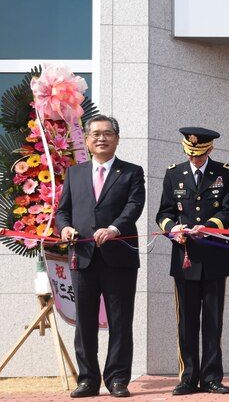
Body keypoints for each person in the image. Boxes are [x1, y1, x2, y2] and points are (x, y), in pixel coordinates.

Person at [56, 115, 146, 398]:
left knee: (120, 321)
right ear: (87, 139)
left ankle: (118, 379)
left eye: (108, 133)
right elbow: (62, 211)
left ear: (117, 139)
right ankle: (87, 380)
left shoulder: (132, 172)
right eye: (95, 134)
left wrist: (115, 229)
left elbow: (134, 206)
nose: (101, 138)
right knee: (84, 322)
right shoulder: (75, 173)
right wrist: (65, 227)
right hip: (81, 258)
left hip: (119, 257)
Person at [155, 127, 229, 395]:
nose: (194, 159)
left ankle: (212, 377)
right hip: (185, 258)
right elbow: (163, 213)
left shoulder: (226, 172)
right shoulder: (173, 173)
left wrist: (210, 226)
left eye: (200, 155)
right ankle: (188, 378)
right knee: (186, 322)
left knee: (213, 322)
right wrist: (173, 230)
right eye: (190, 154)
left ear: (210, 149)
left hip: (215, 255)